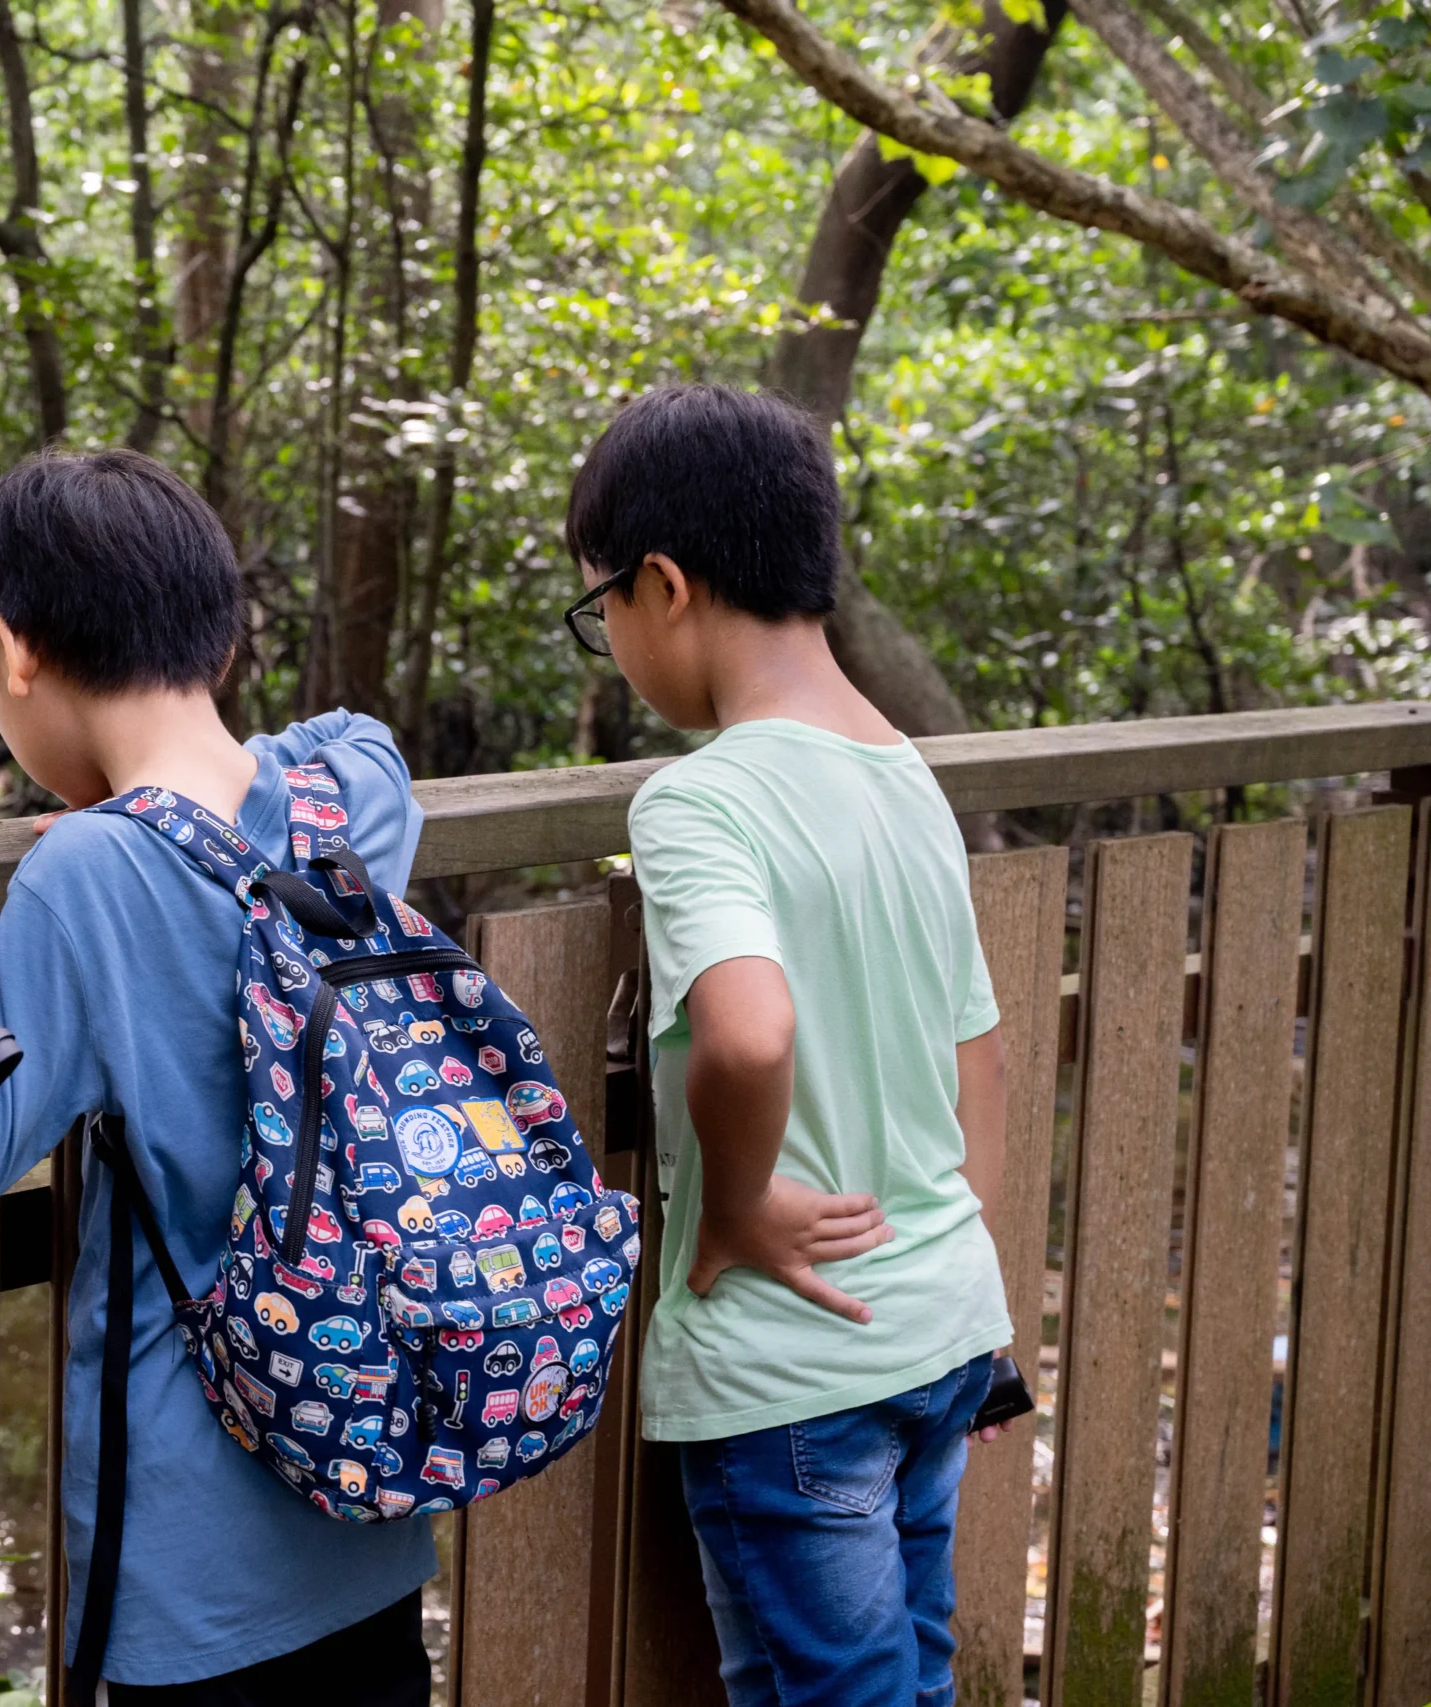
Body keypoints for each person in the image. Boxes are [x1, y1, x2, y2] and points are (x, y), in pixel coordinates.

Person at [0, 448, 435, 1704]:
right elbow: (347, 739)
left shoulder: (84, 877)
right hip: (368, 1504)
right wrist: (165, 792)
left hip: (190, 1578)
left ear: (8, 648)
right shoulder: (350, 797)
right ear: (221, 639)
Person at [561, 385, 1014, 1707]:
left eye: (599, 610)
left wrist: (736, 1208)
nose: (611, 642)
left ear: (662, 584)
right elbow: (978, 1059)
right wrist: (954, 1277)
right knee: (909, 1678)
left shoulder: (702, 799)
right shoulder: (905, 773)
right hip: (936, 1332)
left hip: (792, 1368)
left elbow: (750, 1036)